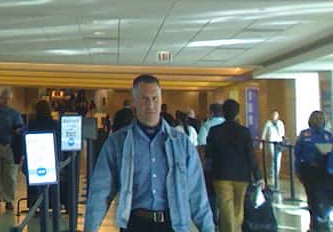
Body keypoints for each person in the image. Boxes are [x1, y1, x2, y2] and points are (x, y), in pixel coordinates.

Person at [85, 74, 214, 232]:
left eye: (155, 98)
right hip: (135, 224)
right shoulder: (117, 143)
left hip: (174, 224)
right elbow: (100, 191)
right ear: (135, 102)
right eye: (145, 99)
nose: (151, 105)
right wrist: (90, 228)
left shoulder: (181, 143)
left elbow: (197, 193)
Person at [206, 99, 259, 232]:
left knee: (226, 208)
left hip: (221, 175)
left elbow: (209, 154)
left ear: (223, 113)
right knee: (238, 209)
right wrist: (258, 176)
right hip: (242, 176)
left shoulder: (214, 131)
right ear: (237, 114)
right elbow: (251, 155)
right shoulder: (244, 132)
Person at [294, 110, 333, 231]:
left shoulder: (327, 136)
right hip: (313, 171)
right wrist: (298, 171)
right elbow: (298, 154)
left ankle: (319, 223)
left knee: (318, 198)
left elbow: (298, 155)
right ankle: (317, 224)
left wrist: (298, 171)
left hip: (321, 172)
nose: (318, 121)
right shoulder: (308, 135)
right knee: (316, 198)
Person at [24, 100, 60, 214]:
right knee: (52, 184)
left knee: (34, 184)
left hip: (35, 158)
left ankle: (34, 205)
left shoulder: (32, 124)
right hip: (51, 158)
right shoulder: (55, 124)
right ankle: (53, 204)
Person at [261, 110, 286, 189]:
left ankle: (275, 173)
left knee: (278, 159)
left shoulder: (280, 123)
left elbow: (282, 133)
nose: (275, 116)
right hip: (271, 143)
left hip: (279, 143)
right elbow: (264, 133)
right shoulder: (268, 123)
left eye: (276, 114)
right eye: (274, 114)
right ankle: (272, 173)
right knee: (273, 157)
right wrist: (262, 143)